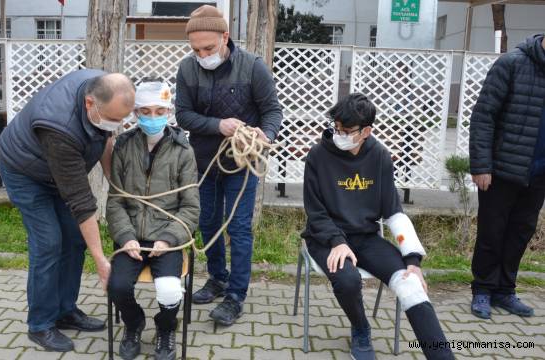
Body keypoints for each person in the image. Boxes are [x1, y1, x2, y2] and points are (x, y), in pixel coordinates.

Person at [302, 94, 454, 360]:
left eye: (347, 131)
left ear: (366, 131)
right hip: (324, 238)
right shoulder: (317, 156)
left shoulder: (380, 156)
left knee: (411, 285)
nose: (339, 135)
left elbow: (393, 211)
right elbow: (315, 212)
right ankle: (361, 329)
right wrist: (337, 241)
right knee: (348, 280)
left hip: (365, 237)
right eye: (336, 128)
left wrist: (413, 259)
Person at [0, 70, 135, 352]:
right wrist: (100, 260)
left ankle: (65, 310)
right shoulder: (58, 126)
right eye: (113, 119)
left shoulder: (103, 88)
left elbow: (104, 139)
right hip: (26, 173)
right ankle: (40, 324)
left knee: (73, 239)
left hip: (59, 168)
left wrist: (117, 185)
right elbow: (81, 203)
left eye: (121, 119)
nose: (117, 125)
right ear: (89, 104)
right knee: (49, 242)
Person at [175, 5, 282, 326]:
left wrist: (268, 134)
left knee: (238, 227)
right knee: (208, 222)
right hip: (204, 160)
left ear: (225, 36)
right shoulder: (187, 69)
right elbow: (183, 115)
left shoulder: (253, 68)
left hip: (241, 162)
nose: (202, 54)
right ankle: (218, 278)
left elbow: (272, 111)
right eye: (196, 50)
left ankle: (236, 295)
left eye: (208, 48)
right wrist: (217, 125)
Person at [106, 79, 199, 360]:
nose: (153, 117)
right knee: (117, 286)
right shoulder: (123, 147)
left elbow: (191, 208)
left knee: (170, 291)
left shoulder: (184, 151)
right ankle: (134, 324)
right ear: (135, 114)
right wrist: (126, 237)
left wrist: (168, 239)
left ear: (169, 112)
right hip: (132, 237)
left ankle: (166, 328)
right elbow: (115, 201)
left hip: (166, 238)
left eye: (160, 111)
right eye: (145, 111)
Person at [469, 34, 545, 319]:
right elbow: (483, 116)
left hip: (538, 174)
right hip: (501, 170)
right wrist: (481, 166)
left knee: (520, 234)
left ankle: (505, 291)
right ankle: (483, 291)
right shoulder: (512, 63)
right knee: (492, 232)